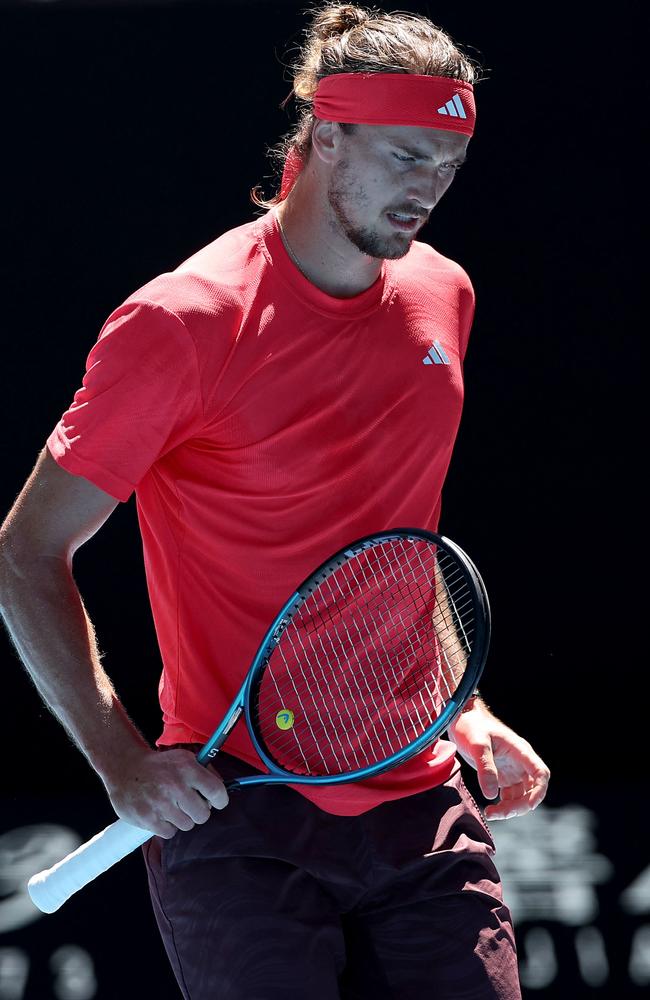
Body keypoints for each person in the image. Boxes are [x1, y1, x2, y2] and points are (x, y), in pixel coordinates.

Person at [0, 4, 550, 998]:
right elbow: (25, 551)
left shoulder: (443, 297)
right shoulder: (183, 322)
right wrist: (119, 754)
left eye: (447, 164)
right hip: (237, 815)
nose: (425, 189)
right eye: (403, 155)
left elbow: (393, 539)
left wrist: (461, 706)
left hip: (417, 800)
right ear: (326, 134)